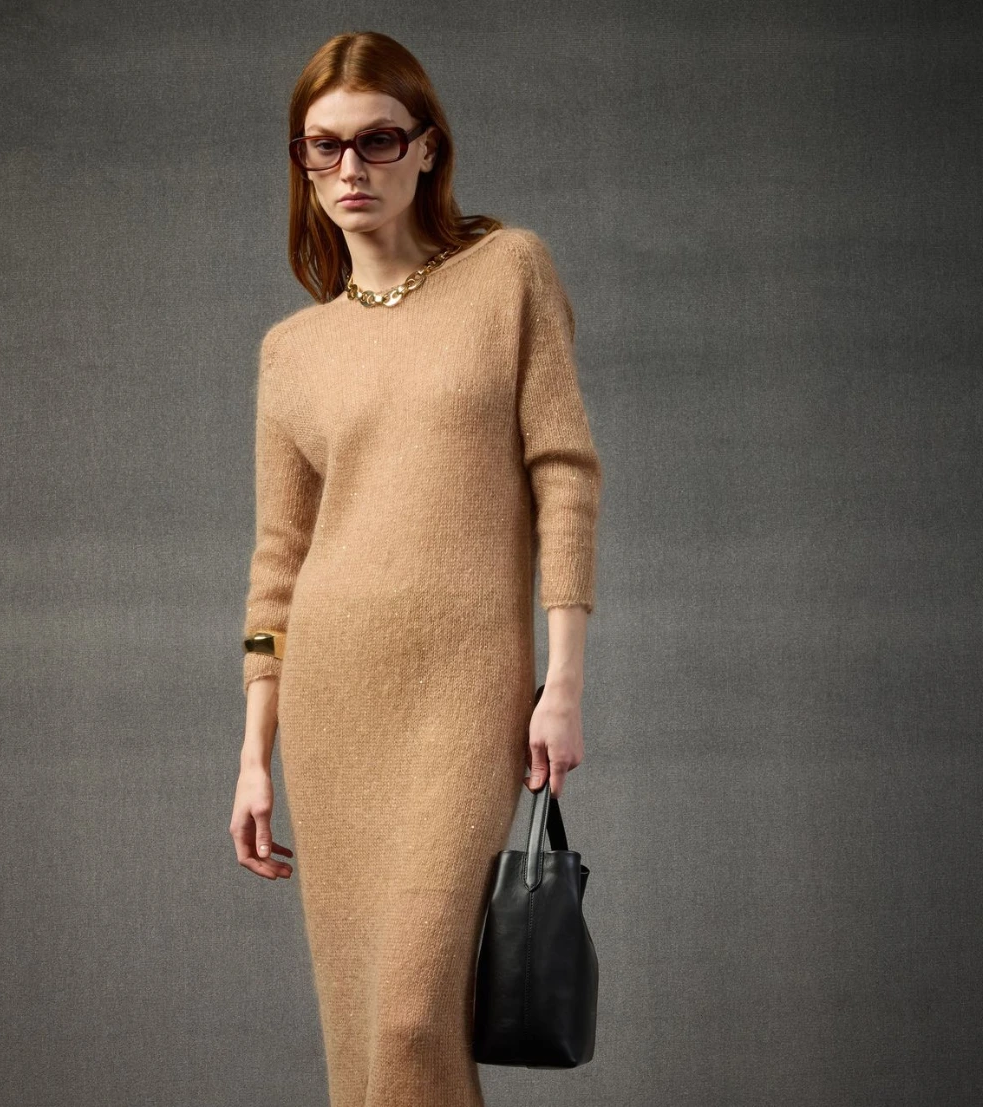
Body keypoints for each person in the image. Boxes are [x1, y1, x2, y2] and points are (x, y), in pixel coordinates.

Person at [228, 30, 603, 1107]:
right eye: (323, 147)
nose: (350, 169)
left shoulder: (509, 272)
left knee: (410, 1014)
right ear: (302, 161)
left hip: (465, 696)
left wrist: (564, 681)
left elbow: (566, 473)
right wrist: (254, 751)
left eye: (377, 141)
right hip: (332, 705)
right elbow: (276, 562)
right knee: (370, 1035)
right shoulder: (291, 352)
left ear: (428, 147)